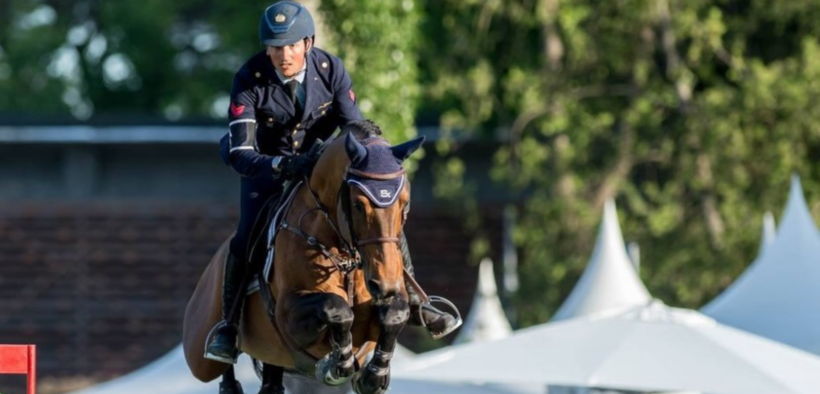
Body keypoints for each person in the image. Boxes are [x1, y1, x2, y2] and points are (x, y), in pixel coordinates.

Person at [206, 0, 460, 365]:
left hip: (320, 166)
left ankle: (417, 299)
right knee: (246, 233)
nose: (284, 55)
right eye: (275, 47)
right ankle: (229, 326)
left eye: (292, 45)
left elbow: (352, 125)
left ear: (307, 43)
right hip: (267, 167)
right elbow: (241, 152)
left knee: (376, 211)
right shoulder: (249, 79)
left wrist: (374, 147)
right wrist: (284, 164)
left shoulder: (330, 69)